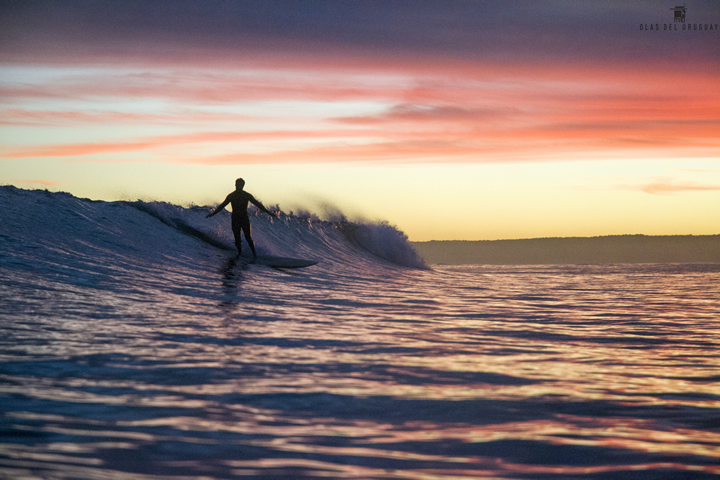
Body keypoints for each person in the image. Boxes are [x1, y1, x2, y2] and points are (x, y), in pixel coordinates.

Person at [206, 178, 276, 258]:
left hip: (244, 218)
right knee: (237, 239)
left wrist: (268, 212)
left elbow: (257, 204)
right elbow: (222, 206)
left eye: (241, 185)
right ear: (235, 185)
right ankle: (239, 254)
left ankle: (254, 255)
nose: (239, 186)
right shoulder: (231, 196)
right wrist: (212, 214)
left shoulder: (246, 195)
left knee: (248, 237)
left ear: (243, 186)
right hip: (235, 219)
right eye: (238, 185)